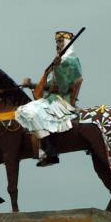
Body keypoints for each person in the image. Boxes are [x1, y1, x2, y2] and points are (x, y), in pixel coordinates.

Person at [15, 31, 83, 167]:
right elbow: (51, 85)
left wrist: (57, 68)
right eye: (56, 42)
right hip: (52, 99)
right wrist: (32, 84)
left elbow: (64, 88)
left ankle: (50, 151)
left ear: (68, 44)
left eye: (60, 41)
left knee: (26, 111)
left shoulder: (71, 61)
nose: (57, 45)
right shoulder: (60, 61)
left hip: (62, 101)